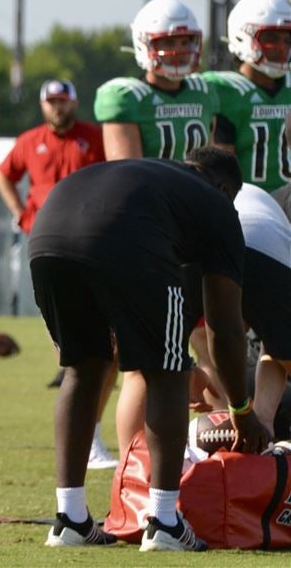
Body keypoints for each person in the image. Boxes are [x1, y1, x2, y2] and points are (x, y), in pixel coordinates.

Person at [30, 149, 269, 551]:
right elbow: (224, 328)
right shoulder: (215, 203)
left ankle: (69, 518)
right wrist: (243, 411)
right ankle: (164, 521)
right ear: (225, 187)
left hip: (48, 234)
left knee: (83, 368)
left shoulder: (155, 176)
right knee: (169, 369)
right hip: (124, 240)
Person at [93, 0, 219, 456]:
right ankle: (131, 466)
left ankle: (205, 447)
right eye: (169, 42)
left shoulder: (207, 90)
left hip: (193, 234)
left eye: (187, 41)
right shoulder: (126, 95)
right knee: (142, 364)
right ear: (145, 46)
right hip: (149, 236)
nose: (180, 51)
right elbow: (124, 173)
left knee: (207, 345)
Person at [0, 79, 115, 468]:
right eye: (52, 102)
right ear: (43, 106)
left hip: (91, 236)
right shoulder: (30, 140)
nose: (58, 108)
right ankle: (70, 370)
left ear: (74, 103)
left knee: (102, 329)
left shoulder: (95, 136)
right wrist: (17, 209)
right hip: (44, 235)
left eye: (63, 101)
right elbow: (4, 174)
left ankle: (82, 397)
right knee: (60, 316)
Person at [183, 149, 291, 441]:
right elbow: (277, 350)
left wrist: (185, 366)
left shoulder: (186, 203)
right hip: (260, 250)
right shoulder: (264, 217)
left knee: (159, 365)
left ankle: (143, 472)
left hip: (192, 246)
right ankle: (259, 426)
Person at [202, 0, 291, 193]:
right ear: (242, 36)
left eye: (288, 39)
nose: (282, 47)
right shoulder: (225, 91)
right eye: (271, 38)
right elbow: (222, 175)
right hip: (248, 202)